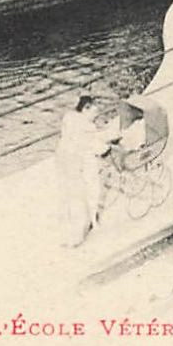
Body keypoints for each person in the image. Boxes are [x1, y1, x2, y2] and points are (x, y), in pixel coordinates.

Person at [55, 95, 117, 247]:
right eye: (93, 112)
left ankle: (77, 231)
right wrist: (109, 146)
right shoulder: (87, 128)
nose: (95, 116)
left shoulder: (69, 118)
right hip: (79, 162)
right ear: (86, 109)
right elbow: (97, 146)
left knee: (71, 197)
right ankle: (86, 228)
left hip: (64, 159)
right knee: (89, 191)